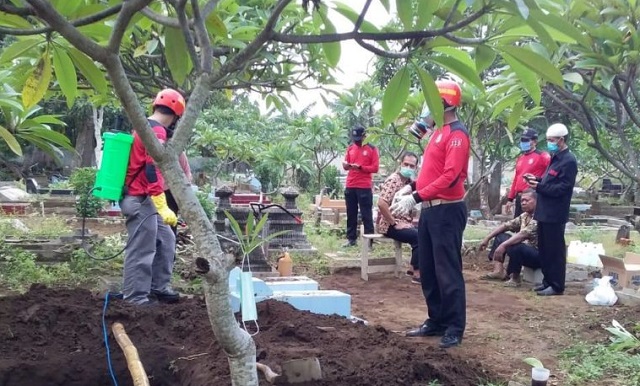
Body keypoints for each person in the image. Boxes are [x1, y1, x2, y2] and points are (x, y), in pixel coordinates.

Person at [391, 79, 470, 348]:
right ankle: (436, 319)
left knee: (448, 270)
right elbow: (432, 172)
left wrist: (415, 196)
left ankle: (454, 327)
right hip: (429, 210)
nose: (427, 106)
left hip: (447, 211)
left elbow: (450, 177)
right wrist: (412, 188)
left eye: (432, 100)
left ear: (445, 103)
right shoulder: (437, 131)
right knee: (428, 268)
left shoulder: (457, 135)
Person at [120, 88, 185, 305]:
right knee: (142, 248)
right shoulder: (157, 131)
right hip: (139, 198)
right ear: (176, 116)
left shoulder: (143, 127)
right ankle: (135, 298)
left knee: (167, 238)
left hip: (146, 198)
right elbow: (151, 170)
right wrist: (162, 203)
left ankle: (159, 287)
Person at [526, 123, 578, 296]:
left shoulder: (569, 160)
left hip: (555, 213)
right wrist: (537, 180)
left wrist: (539, 187)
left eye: (552, 140)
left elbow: (563, 188)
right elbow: (550, 181)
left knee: (555, 251)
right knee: (545, 249)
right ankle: (547, 281)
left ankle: (556, 285)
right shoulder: (555, 158)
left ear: (561, 140)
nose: (549, 143)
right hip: (545, 211)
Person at [479, 190, 541, 286]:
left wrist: (503, 245)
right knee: (501, 236)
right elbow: (506, 226)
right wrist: (487, 238)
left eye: (527, 200)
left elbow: (522, 235)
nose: (523, 203)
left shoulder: (540, 217)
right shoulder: (524, 216)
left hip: (539, 255)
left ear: (537, 201)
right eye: (522, 201)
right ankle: (498, 271)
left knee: (515, 245)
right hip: (526, 250)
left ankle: (515, 278)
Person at [376, 152, 420, 284]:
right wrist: (394, 223)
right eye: (406, 164)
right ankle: (418, 273)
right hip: (389, 225)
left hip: (404, 222)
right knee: (418, 237)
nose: (408, 167)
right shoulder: (393, 180)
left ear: (416, 168)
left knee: (425, 231)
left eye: (412, 166)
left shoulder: (409, 183)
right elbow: (381, 203)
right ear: (400, 164)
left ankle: (412, 268)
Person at [342, 125, 379, 248]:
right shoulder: (350, 148)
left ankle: (369, 242)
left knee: (366, 214)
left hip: (364, 186)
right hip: (350, 184)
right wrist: (347, 165)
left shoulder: (372, 149)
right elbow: (345, 164)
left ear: (365, 136)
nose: (357, 140)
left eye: (359, 137)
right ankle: (351, 239)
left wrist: (361, 168)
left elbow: (375, 168)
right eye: (355, 138)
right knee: (350, 213)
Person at [506, 128, 550, 217]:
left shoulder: (542, 156)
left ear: (534, 142)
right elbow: (516, 179)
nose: (523, 142)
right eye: (522, 140)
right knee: (518, 225)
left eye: (526, 140)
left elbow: (550, 173)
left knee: (529, 226)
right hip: (519, 197)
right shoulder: (520, 158)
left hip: (532, 197)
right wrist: (510, 199)